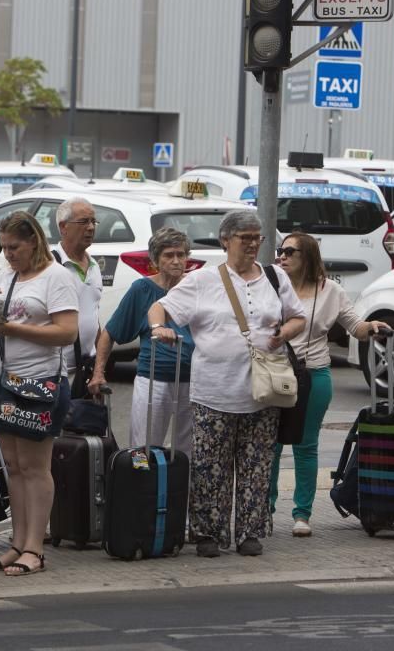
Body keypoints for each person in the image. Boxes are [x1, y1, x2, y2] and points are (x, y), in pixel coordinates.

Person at [149, 210, 305, 557]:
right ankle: (208, 533)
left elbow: (297, 317)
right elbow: (161, 307)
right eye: (245, 238)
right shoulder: (203, 280)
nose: (252, 244)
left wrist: (284, 333)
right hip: (213, 391)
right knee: (209, 467)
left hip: (263, 391)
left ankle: (250, 532)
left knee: (257, 465)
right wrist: (158, 328)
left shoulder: (273, 276)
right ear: (225, 241)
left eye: (257, 237)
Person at [267, 232, 388, 537]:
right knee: (271, 445)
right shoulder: (270, 284)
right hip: (273, 373)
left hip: (313, 374)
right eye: (280, 251)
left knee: (306, 446)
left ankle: (302, 514)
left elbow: (354, 326)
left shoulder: (330, 290)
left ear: (307, 256)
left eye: (289, 251)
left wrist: (371, 326)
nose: (282, 256)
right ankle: (262, 509)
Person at [0, 211, 79, 576]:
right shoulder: (8, 276)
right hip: (1, 379)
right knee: (15, 468)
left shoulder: (56, 277)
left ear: (34, 240)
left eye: (14, 247)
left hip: (38, 382)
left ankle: (35, 547)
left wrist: (14, 330)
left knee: (36, 467)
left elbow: (67, 333)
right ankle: (17, 543)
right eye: (4, 247)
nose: (8, 254)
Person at [88, 227, 195, 457]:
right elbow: (110, 333)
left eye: (181, 254)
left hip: (194, 381)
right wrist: (99, 373)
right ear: (156, 259)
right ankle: (142, 491)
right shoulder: (142, 289)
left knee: (188, 451)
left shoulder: (196, 287)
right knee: (143, 449)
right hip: (153, 379)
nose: (177, 261)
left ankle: (182, 493)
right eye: (169, 255)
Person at [53, 196, 103, 397]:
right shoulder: (50, 265)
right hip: (56, 372)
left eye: (93, 221)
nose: (91, 227)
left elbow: (93, 314)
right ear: (63, 227)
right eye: (83, 222)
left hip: (86, 370)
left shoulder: (94, 265)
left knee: (85, 426)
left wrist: (99, 367)